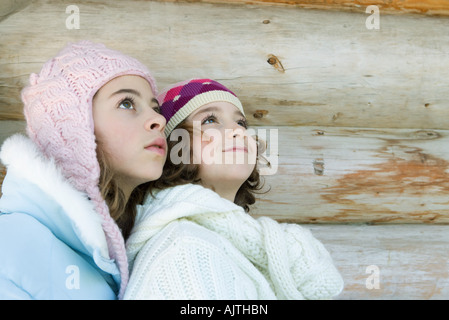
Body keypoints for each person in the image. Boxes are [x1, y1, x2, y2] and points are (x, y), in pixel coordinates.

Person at [124, 78, 344, 299]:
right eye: (210, 120)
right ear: (174, 147)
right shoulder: (184, 248)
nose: (237, 132)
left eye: (241, 123)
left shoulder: (245, 246)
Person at [0, 41, 167, 299]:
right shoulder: (10, 244)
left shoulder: (134, 247)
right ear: (75, 127)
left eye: (155, 108)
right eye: (126, 103)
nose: (159, 119)